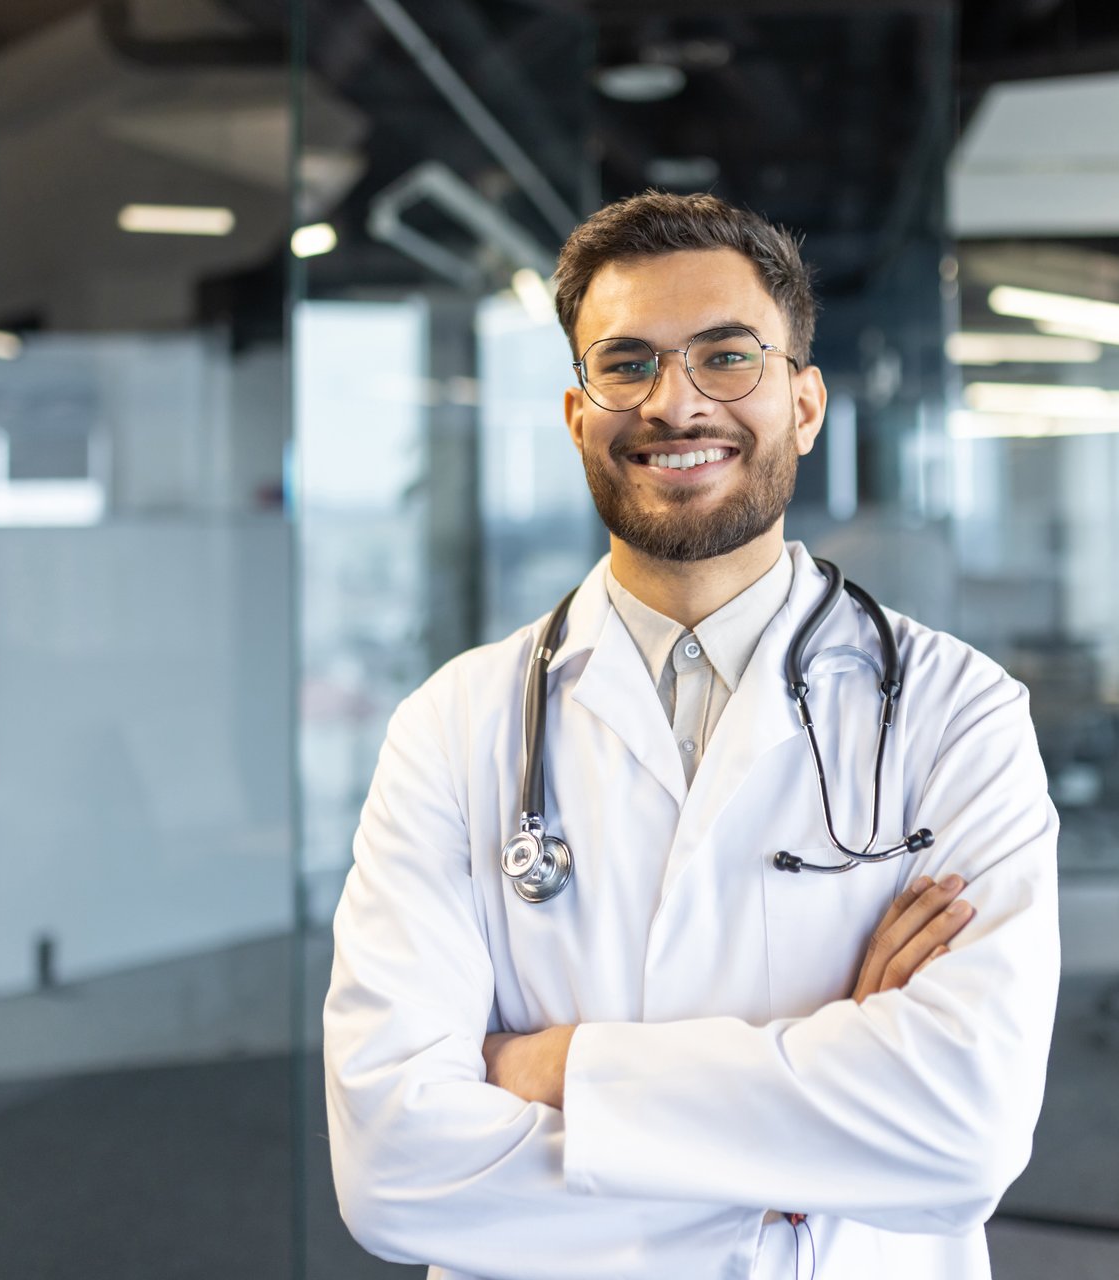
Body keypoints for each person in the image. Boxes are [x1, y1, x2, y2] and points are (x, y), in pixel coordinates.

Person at [324, 191, 1059, 1279]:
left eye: (727, 357)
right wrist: (804, 1166)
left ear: (804, 404)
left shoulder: (959, 712)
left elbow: (962, 1132)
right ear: (579, 414)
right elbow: (393, 1170)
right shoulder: (454, 726)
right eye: (627, 364)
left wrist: (560, 1066)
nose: (675, 403)